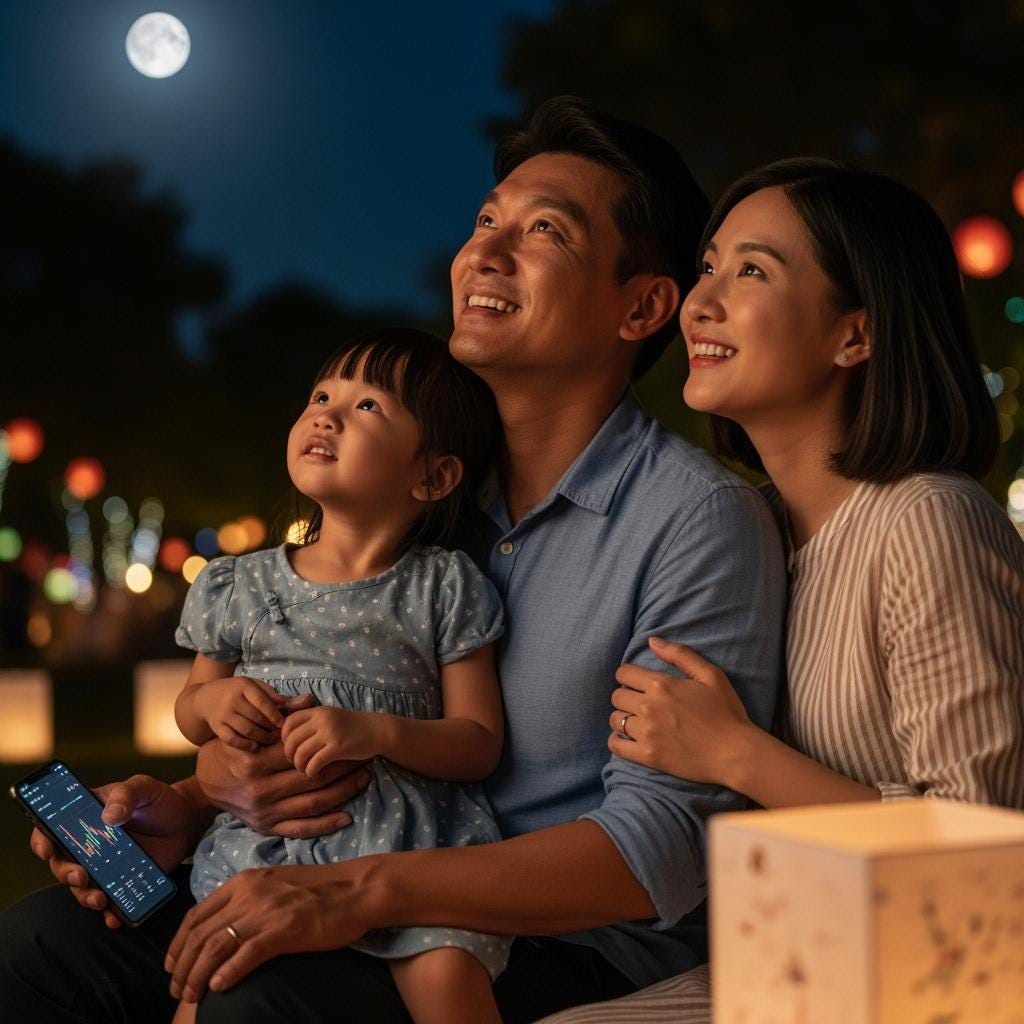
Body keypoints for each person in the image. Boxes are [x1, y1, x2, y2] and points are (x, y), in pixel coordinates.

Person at [0, 97, 787, 1023]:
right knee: (35, 949)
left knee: (257, 999)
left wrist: (358, 892)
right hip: (342, 868)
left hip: (566, 941)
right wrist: (198, 800)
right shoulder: (415, 494)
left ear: (644, 305)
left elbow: (662, 844)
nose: (485, 252)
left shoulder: (696, 520)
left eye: (544, 231)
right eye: (485, 220)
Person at [540, 159, 1024, 1024]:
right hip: (793, 957)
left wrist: (736, 754)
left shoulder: (927, 521)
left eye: (752, 271)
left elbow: (982, 848)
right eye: (708, 268)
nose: (700, 302)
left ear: (855, 335)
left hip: (933, 982)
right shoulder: (747, 529)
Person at [170, 327, 508, 1024]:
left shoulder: (443, 586)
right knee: (208, 982)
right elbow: (189, 709)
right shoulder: (240, 584)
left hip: (414, 851)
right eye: (322, 397)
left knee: (449, 981)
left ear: (433, 476)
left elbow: (478, 741)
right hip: (269, 847)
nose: (326, 416)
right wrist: (216, 701)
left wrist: (378, 732)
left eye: (368, 406)